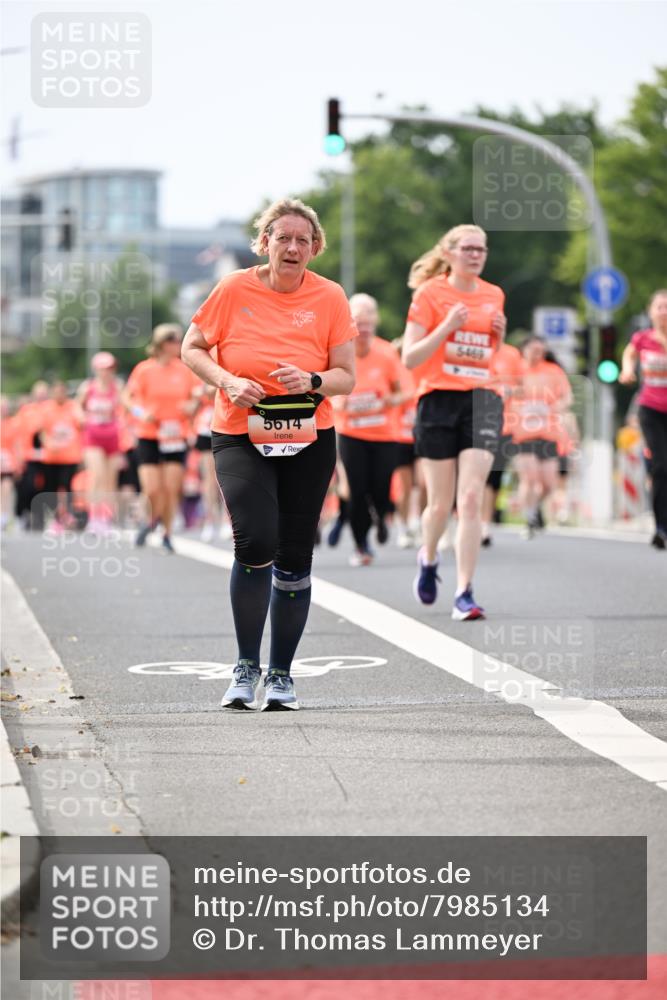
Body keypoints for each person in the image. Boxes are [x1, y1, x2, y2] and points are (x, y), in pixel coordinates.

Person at [181, 197, 356, 711]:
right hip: (240, 430)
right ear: (264, 243)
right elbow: (192, 347)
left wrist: (314, 379)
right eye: (283, 238)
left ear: (315, 248)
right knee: (255, 540)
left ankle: (281, 675)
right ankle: (244, 666)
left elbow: (347, 376)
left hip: (308, 433)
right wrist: (227, 380)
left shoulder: (330, 297)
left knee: (295, 555)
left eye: (304, 240)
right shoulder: (234, 288)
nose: (294, 247)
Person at [402, 223, 506, 620]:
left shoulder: (495, 294)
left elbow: (485, 356)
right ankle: (428, 558)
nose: (476, 255)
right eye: (468, 248)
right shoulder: (430, 295)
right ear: (449, 254)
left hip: (482, 398)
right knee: (440, 504)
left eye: (482, 249)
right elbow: (409, 358)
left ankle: (464, 591)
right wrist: (447, 326)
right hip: (438, 400)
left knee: (471, 498)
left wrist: (499, 335)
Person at [334, 293, 406, 565]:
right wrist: (338, 401)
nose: (363, 330)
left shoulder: (387, 352)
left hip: (384, 434)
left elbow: (404, 392)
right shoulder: (340, 350)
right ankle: (361, 545)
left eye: (368, 324)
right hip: (351, 434)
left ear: (375, 323)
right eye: (358, 323)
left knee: (380, 488)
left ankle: (380, 514)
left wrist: (389, 400)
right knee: (356, 488)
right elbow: (326, 386)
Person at [123, 324, 201, 552]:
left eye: (179, 340)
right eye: (173, 340)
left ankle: (166, 532)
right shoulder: (144, 370)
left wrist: (192, 405)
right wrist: (141, 413)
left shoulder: (184, 370)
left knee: (171, 488)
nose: (178, 344)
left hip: (175, 435)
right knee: (152, 488)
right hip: (150, 435)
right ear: (160, 344)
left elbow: (196, 397)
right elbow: (127, 398)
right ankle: (150, 519)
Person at [510, 337, 573, 538]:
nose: (537, 354)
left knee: (548, 483)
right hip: (523, 434)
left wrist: (555, 407)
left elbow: (567, 397)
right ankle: (529, 519)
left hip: (548, 433)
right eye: (533, 350)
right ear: (524, 350)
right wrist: (517, 403)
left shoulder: (553, 371)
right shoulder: (516, 369)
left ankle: (535, 508)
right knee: (529, 478)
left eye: (541, 351)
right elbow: (503, 392)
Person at [620, 289, 667, 549]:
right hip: (650, 409)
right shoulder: (643, 338)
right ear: (651, 312)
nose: (664, 312)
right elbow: (629, 354)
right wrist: (627, 370)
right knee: (660, 466)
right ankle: (661, 527)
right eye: (660, 307)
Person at [481, 340, 524, 546]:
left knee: (493, 479)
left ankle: (485, 525)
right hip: (474, 422)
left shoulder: (512, 354)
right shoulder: (475, 348)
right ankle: (466, 520)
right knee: (475, 476)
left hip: (504, 426)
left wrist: (508, 390)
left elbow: (523, 387)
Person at [75, 351, 123, 533]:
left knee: (111, 480)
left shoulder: (117, 387)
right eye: (103, 368)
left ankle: (106, 518)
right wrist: (82, 418)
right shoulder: (88, 388)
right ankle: (94, 519)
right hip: (93, 437)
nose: (107, 372)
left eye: (110, 368)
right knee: (97, 476)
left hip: (112, 436)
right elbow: (77, 407)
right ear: (96, 369)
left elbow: (125, 407)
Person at [40, 381, 83, 532]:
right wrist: (49, 443)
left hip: (70, 456)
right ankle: (54, 519)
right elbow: (42, 432)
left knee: (68, 486)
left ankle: (68, 516)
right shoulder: (47, 409)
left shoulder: (73, 407)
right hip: (52, 457)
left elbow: (81, 424)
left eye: (62, 391)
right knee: (52, 488)